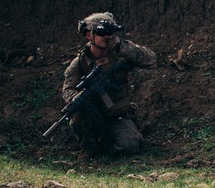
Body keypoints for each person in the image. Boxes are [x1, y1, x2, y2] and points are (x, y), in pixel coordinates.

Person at [61, 12, 156, 156]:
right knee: (77, 115)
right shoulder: (80, 63)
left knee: (129, 146)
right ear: (88, 35)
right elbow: (67, 89)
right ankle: (91, 151)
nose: (107, 36)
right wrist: (77, 97)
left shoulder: (120, 52)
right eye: (101, 32)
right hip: (93, 117)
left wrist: (121, 46)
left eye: (110, 32)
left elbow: (150, 59)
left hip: (118, 116)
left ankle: (107, 145)